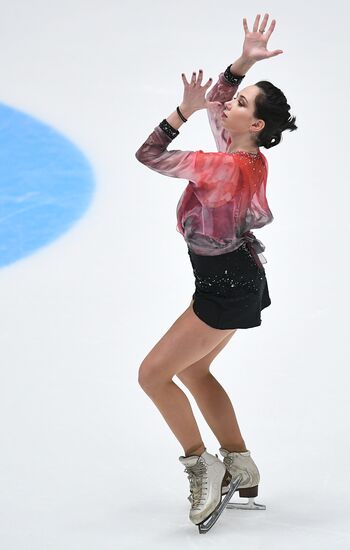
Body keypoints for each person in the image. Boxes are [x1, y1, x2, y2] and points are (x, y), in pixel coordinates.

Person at [135, 13, 297, 533]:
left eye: (243, 103)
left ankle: (201, 464)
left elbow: (149, 154)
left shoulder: (220, 165)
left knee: (153, 375)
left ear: (254, 126)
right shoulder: (245, 155)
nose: (230, 102)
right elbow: (223, 94)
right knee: (194, 371)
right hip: (242, 279)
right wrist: (244, 61)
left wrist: (182, 111)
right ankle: (240, 462)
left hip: (224, 287)